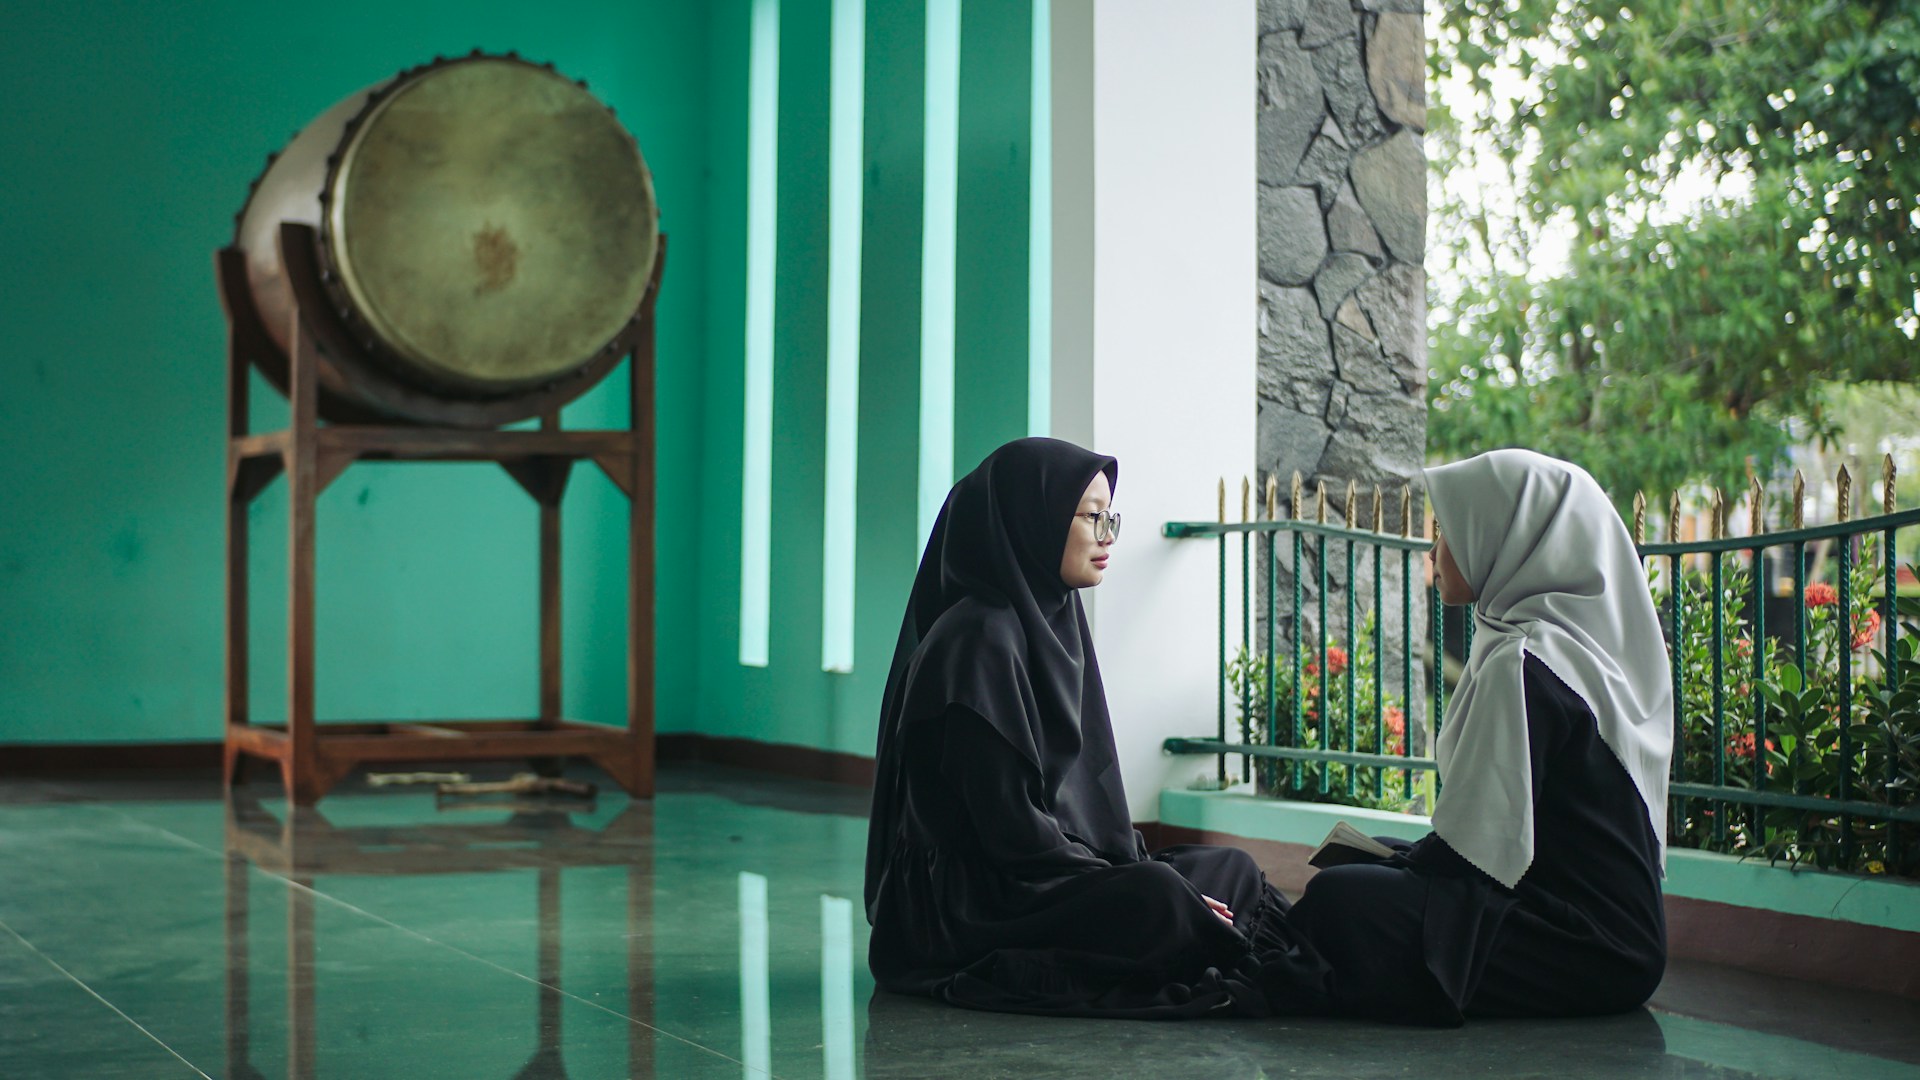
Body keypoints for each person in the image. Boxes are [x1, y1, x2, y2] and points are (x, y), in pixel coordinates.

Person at [863, 437, 1329, 1018]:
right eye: (1090, 517)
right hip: (974, 901)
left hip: (1042, 870)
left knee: (1223, 866)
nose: (1107, 535)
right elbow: (1011, 834)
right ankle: (1244, 950)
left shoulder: (1052, 619)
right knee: (1159, 897)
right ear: (1030, 520)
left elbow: (1091, 803)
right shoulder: (974, 644)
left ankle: (1221, 935)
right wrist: (1152, 887)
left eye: (1111, 517)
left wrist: (1140, 872)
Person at [1286, 448, 1674, 1025]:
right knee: (1383, 859)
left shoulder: (1525, 661)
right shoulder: (1579, 655)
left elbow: (1474, 860)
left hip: (1581, 949)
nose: (1435, 549)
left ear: (1506, 538)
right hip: (1621, 943)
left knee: (1339, 901)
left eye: (1449, 530)